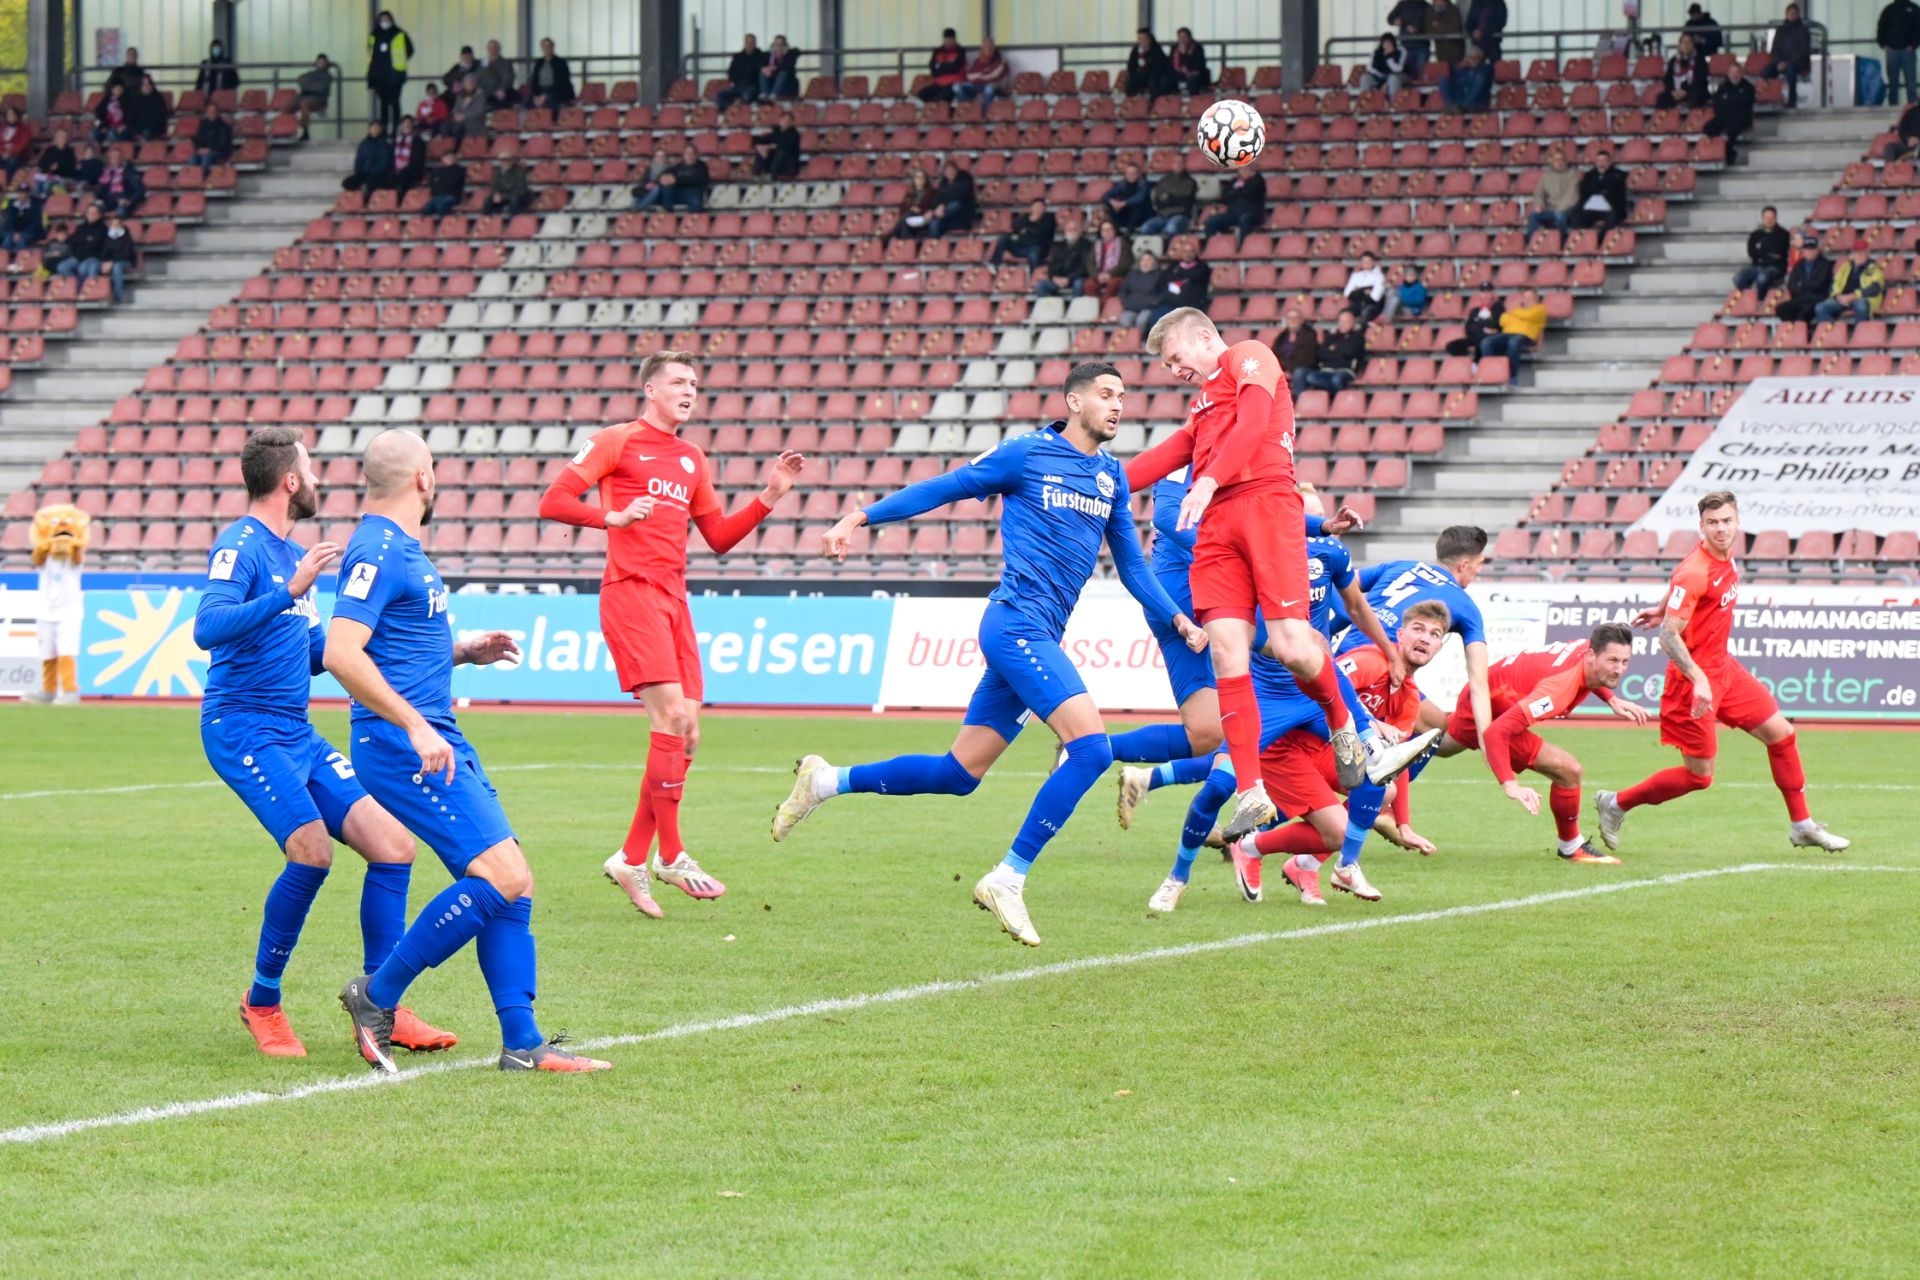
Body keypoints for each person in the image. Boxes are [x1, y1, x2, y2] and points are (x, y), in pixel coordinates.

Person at [773, 364, 1205, 948]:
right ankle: (1008, 877)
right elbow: (944, 487)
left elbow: (1131, 565)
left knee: (958, 774)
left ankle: (825, 781)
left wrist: (1177, 616)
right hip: (1015, 624)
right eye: (1106, 394)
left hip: (1040, 633)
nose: (1117, 405)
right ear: (1073, 401)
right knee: (1092, 749)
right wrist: (859, 516)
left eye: (1122, 396)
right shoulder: (1026, 454)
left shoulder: (1111, 478)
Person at [328, 429, 612, 1074]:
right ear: (423, 479)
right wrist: (415, 726)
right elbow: (343, 652)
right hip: (406, 743)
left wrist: (461, 652)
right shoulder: (377, 548)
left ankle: (523, 1044)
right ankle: (376, 996)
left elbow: (392, 646)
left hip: (433, 733)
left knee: (515, 884)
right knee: (501, 877)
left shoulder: (397, 546)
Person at [192, 427, 457, 1060]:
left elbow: (316, 652)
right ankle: (262, 1002)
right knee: (311, 852)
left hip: (296, 732)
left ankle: (383, 1003)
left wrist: (454, 652)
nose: (317, 482)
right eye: (310, 472)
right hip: (243, 727)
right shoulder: (241, 545)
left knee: (393, 847)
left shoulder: (294, 554)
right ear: (290, 481)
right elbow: (207, 626)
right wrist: (288, 591)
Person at [538, 353, 801, 917]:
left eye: (695, 384)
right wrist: (609, 518)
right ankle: (672, 853)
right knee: (673, 719)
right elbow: (553, 500)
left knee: (689, 736)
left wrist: (771, 495)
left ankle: (632, 857)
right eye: (678, 382)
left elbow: (718, 537)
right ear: (651, 389)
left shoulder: (691, 457)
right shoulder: (615, 440)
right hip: (630, 592)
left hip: (675, 600)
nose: (689, 391)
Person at [1125, 310, 1373, 839]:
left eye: (1175, 357)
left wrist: (1209, 479)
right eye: (1167, 365)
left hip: (1266, 505)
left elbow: (1255, 422)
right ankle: (1251, 791)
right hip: (1218, 526)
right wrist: (1106, 485)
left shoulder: (1250, 356)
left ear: (1204, 336)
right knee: (1226, 653)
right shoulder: (1203, 404)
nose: (1174, 370)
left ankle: (1343, 725)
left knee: (1291, 647)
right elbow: (1171, 452)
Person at [1595, 492, 1849, 854]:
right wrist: (1698, 676)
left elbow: (1680, 592)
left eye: (1727, 521)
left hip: (1724, 670)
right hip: (1691, 683)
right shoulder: (1695, 571)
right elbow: (1668, 636)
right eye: (1713, 523)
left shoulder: (1724, 555)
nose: (1721, 529)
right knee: (1699, 776)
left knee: (1782, 735)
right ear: (1701, 526)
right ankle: (1616, 803)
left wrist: (1663, 606)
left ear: (1737, 522)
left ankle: (1802, 825)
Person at [1236, 600, 1448, 907]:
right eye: (1418, 629)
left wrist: (1404, 824)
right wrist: (1370, 722)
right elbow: (1326, 683)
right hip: (1287, 747)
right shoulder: (1370, 661)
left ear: (1440, 647)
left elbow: (1393, 763)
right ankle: (1250, 847)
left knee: (1383, 789)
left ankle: (1305, 865)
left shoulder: (1409, 697)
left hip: (1325, 751)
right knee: (1338, 832)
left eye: (1434, 634)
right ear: (1400, 635)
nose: (1425, 638)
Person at [1429, 625, 1652, 863]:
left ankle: (1408, 729)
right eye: (1613, 661)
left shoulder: (1585, 649)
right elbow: (1495, 733)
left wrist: (1612, 699)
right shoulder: (1558, 690)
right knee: (1569, 770)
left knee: (1438, 744)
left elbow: (1595, 673)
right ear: (1591, 655)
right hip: (1487, 710)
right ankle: (1571, 846)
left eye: (1625, 661)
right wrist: (1510, 784)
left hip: (1488, 694)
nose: (1619, 669)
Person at [1481, 286, 1545, 384]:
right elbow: (1503, 320)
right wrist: (1519, 313)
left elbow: (1530, 315)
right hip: (1508, 334)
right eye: (1526, 297)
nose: (1528, 300)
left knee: (1514, 342)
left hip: (1526, 336)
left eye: (1530, 297)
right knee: (1486, 342)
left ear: (1536, 298)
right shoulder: (1518, 309)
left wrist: (1514, 312)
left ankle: (1512, 376)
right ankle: (1492, 372)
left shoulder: (1540, 308)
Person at [366, 10, 415, 137]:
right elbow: (370, 54)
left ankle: (395, 130)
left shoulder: (399, 34)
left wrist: (399, 61)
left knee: (395, 103)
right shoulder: (374, 35)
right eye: (382, 20)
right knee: (383, 104)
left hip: (395, 75)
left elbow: (409, 51)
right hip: (379, 77)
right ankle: (383, 130)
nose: (385, 22)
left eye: (387, 19)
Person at [1814, 240, 1886, 324]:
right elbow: (1835, 282)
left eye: (1861, 252)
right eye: (1856, 252)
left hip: (1861, 298)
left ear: (1867, 253)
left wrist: (1854, 296)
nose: (1858, 255)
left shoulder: (1874, 268)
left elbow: (1875, 288)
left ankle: (1859, 331)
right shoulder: (1846, 266)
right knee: (1820, 308)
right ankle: (1834, 330)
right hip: (1843, 298)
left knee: (1861, 305)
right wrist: (1838, 296)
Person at [1298, 309, 1367, 394]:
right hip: (1326, 371)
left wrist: (1333, 351)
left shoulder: (1358, 338)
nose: (1343, 324)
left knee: (1336, 380)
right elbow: (1321, 354)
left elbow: (1350, 352)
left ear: (1353, 322)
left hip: (1345, 371)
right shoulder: (1331, 337)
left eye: (1346, 321)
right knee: (1310, 377)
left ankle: (1333, 398)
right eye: (1341, 321)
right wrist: (1340, 353)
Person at [1145, 250, 1211, 331]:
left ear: (1196, 253)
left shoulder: (1202, 268)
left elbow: (1195, 280)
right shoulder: (1173, 266)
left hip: (1190, 304)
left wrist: (1178, 276)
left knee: (1183, 324)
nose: (1188, 254)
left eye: (1191, 251)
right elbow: (1163, 281)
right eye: (1185, 251)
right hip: (1169, 302)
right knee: (1155, 319)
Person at [1734, 205, 1790, 299]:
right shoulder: (1755, 235)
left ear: (1776, 218)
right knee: (1738, 278)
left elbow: (1779, 251)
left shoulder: (1783, 234)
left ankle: (1760, 300)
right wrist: (1770, 254)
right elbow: (1751, 253)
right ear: (1762, 218)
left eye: (1771, 217)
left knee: (1762, 278)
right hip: (1757, 266)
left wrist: (1761, 250)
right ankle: (1749, 298)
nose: (1769, 220)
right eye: (1766, 217)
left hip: (1775, 268)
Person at [1774, 234, 1833, 322]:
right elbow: (1791, 285)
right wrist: (1804, 287)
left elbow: (1818, 285)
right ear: (1803, 250)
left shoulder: (1825, 264)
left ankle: (1801, 328)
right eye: (1806, 249)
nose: (1809, 252)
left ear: (1817, 250)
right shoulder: (1799, 264)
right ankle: (1792, 328)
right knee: (1780, 309)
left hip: (1817, 299)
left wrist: (1801, 284)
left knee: (1805, 311)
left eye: (1812, 249)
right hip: (1800, 298)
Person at [1706, 60, 1756, 163]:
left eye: (1737, 72)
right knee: (1708, 128)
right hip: (1724, 117)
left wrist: (1729, 101)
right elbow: (1717, 104)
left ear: (1741, 73)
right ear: (1728, 74)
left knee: (1731, 129)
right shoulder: (1723, 87)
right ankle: (1723, 152)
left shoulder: (1748, 87)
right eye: (1732, 72)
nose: (1734, 75)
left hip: (1741, 118)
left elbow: (1745, 104)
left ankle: (1728, 154)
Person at [1033, 215, 1096, 298]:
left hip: (1076, 278)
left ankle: (1075, 305)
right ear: (1065, 231)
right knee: (1041, 285)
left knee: (1079, 284)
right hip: (1059, 278)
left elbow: (1084, 267)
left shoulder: (1087, 245)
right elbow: (1051, 264)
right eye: (1069, 229)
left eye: (1074, 229)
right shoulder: (1058, 246)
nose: (1071, 231)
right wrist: (1054, 277)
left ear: (1080, 231)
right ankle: (1052, 304)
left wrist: (1069, 279)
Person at [1764, 4, 1812, 110]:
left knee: (1791, 71)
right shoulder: (1780, 30)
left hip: (1798, 63)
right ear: (1786, 14)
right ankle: (1767, 99)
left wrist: (1788, 62)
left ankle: (1792, 101)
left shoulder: (1803, 30)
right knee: (1766, 72)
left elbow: (1804, 52)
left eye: (1794, 13)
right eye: (1790, 13)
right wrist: (1778, 62)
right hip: (1780, 62)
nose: (1792, 15)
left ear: (1798, 14)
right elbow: (1774, 50)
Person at [1568, 150, 1629, 231]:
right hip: (1590, 209)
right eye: (1599, 161)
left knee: (1613, 219)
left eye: (1604, 161)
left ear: (1609, 162)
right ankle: (1585, 236)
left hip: (1610, 209)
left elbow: (1615, 192)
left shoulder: (1618, 175)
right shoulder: (1589, 175)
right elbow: (1584, 191)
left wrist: (1598, 187)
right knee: (1575, 216)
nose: (1601, 163)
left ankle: (1601, 237)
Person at [988, 197, 1055, 268]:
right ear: (1031, 208)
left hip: (1037, 248)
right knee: (1004, 238)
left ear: (1044, 208)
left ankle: (1033, 273)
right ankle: (994, 264)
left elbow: (1041, 232)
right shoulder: (1026, 217)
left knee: (1034, 254)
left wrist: (1027, 229)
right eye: (1035, 206)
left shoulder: (1049, 219)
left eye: (1040, 206)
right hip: (1020, 245)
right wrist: (1029, 220)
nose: (1037, 209)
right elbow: (1015, 227)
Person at [1203, 167, 1267, 237]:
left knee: (1245, 219)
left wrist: (1236, 190)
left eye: (1246, 169)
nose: (1242, 171)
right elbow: (1225, 197)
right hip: (1233, 214)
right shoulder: (1234, 181)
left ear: (1253, 171)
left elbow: (1248, 192)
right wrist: (1239, 190)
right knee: (1212, 221)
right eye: (1241, 169)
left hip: (1253, 214)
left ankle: (1244, 243)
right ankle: (1213, 242)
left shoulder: (1258, 180)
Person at [1881, 0, 1920, 107]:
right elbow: (1882, 26)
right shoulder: (1889, 9)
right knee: (1893, 83)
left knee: (1910, 82)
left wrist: (1913, 45)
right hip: (1892, 50)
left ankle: (1913, 108)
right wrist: (1883, 44)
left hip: (1907, 51)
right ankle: (1893, 107)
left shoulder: (1913, 9)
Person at [882, 167, 938, 241]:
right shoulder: (910, 192)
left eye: (922, 177)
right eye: (917, 177)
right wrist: (911, 208)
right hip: (909, 216)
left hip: (922, 216)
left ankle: (892, 234)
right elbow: (902, 208)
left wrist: (920, 210)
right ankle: (906, 241)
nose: (919, 179)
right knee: (906, 221)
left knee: (906, 218)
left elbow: (933, 206)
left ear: (926, 179)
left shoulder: (932, 192)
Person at [716, 34, 768, 111]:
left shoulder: (761, 56)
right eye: (748, 42)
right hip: (737, 86)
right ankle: (731, 108)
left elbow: (761, 71)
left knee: (747, 95)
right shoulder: (737, 57)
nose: (749, 44)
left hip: (752, 87)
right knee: (719, 96)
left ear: (755, 43)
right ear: (744, 43)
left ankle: (737, 106)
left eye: (752, 42)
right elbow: (731, 72)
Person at [1139, 168, 1197, 236]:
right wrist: (1177, 198)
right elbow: (1158, 202)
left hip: (1181, 216)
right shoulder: (1164, 181)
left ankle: (1168, 242)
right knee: (1145, 227)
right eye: (1175, 163)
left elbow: (1186, 201)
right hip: (1163, 216)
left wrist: (1169, 198)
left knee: (1171, 228)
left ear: (1185, 165)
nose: (1177, 165)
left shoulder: (1190, 182)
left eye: (1180, 163)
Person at [1657, 33, 1708, 110]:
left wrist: (1686, 91)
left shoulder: (1700, 60)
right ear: (1680, 45)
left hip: (1693, 91)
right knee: (1662, 98)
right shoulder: (1673, 61)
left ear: (1693, 45)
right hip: (1675, 92)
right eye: (1684, 42)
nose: (1686, 45)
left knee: (1696, 95)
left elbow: (1700, 81)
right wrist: (1673, 92)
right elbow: (1667, 79)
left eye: (1689, 42)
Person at [953, 36, 1010, 105]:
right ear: (982, 48)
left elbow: (995, 75)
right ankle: (968, 106)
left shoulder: (1001, 61)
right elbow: (969, 77)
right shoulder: (977, 61)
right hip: (977, 85)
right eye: (985, 46)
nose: (988, 48)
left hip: (993, 86)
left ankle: (987, 111)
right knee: (956, 87)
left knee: (989, 89)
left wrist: (980, 75)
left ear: (994, 47)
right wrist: (982, 75)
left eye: (990, 46)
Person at [1276, 307, 1320, 395]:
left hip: (1304, 368)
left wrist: (1290, 370)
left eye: (1296, 318)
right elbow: (1275, 354)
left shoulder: (1309, 335)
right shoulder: (1282, 336)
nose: (1293, 320)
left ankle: (1297, 399)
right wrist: (1283, 370)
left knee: (1299, 373)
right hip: (1284, 369)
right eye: (1290, 318)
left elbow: (1307, 359)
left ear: (1301, 320)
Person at [928, 158, 977, 236]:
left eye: (951, 170)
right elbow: (937, 198)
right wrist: (935, 208)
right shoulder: (944, 183)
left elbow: (961, 195)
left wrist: (943, 205)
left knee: (955, 205)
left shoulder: (965, 178)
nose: (949, 173)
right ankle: (934, 242)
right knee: (934, 223)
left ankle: (935, 214)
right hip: (945, 218)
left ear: (956, 170)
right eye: (947, 171)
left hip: (962, 216)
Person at [91, 145, 145, 216]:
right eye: (112, 157)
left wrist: (129, 201)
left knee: (120, 212)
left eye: (117, 157)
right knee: (93, 210)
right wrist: (97, 198)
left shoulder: (129, 172)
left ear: (122, 158)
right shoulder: (106, 173)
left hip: (123, 202)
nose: (114, 159)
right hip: (109, 202)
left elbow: (139, 190)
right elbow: (100, 190)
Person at [1089, 217, 1134, 301]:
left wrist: (1110, 274)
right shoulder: (1096, 244)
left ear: (1114, 230)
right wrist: (1097, 275)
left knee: (1112, 284)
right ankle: (1095, 305)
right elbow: (1090, 262)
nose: (1107, 232)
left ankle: (1103, 305)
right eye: (1104, 230)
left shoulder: (1123, 243)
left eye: (1109, 229)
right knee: (1089, 284)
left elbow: (1125, 263)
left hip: (1116, 275)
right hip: (1099, 275)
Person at [522, 37, 574, 109]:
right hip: (540, 91)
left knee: (550, 101)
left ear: (552, 47)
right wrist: (536, 96)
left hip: (556, 92)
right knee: (528, 102)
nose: (546, 49)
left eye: (548, 46)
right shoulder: (539, 63)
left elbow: (562, 83)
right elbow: (534, 81)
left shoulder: (561, 63)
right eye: (544, 47)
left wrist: (545, 96)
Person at [1118, 250, 1164, 330]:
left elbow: (1163, 292)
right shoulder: (1132, 274)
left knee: (1141, 321)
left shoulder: (1159, 275)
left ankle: (1140, 337)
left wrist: (1154, 302)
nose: (1145, 262)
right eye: (1143, 260)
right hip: (1131, 306)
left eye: (1149, 260)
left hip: (1148, 307)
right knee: (1124, 321)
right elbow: (1123, 290)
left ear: (1154, 262)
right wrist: (1125, 302)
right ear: (1139, 262)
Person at [1122, 28, 1174, 97]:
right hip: (1140, 75)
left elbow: (1160, 66)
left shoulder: (1156, 50)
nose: (1142, 41)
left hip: (1153, 76)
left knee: (1153, 81)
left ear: (1149, 39)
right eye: (1140, 39)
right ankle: (1132, 100)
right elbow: (1131, 66)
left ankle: (1154, 101)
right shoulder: (1135, 50)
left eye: (1144, 39)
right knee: (1131, 81)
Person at [920, 28, 968, 103]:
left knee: (947, 94)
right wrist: (947, 66)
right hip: (939, 82)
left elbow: (955, 68)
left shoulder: (960, 51)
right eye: (946, 39)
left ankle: (940, 105)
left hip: (954, 82)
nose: (948, 41)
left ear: (954, 40)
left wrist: (940, 67)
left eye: (950, 39)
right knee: (922, 93)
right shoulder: (937, 51)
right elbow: (932, 68)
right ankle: (936, 103)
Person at [1102, 162, 1152, 232]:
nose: (1131, 175)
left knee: (1138, 205)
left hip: (1142, 217)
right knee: (1111, 205)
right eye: (1128, 173)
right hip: (1127, 215)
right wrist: (1113, 202)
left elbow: (1140, 197)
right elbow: (1106, 195)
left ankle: (1129, 232)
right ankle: (1117, 230)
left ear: (1138, 174)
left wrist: (1123, 203)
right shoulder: (1123, 184)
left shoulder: (1144, 184)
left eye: (1133, 173)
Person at [341, 120, 391, 192]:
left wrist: (373, 172)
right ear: (369, 129)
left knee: (370, 184)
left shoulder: (385, 145)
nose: (375, 130)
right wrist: (358, 172)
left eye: (377, 128)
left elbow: (384, 163)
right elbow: (359, 160)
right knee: (347, 183)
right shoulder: (364, 144)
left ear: (381, 130)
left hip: (378, 174)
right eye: (373, 128)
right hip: (364, 173)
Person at [1440, 45, 1492, 112]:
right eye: (1471, 57)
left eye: (1476, 57)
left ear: (1481, 59)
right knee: (1443, 80)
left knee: (1479, 78)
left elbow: (1481, 84)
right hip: (1462, 98)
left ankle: (1465, 105)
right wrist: (1459, 68)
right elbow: (1457, 82)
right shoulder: (1464, 70)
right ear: (1467, 59)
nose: (1473, 60)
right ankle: (1450, 106)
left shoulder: (1486, 69)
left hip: (1477, 101)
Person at [484, 142, 532, 215]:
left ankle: (514, 219)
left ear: (512, 160)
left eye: (507, 160)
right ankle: (488, 218)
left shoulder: (519, 172)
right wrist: (496, 195)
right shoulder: (497, 172)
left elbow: (520, 190)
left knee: (514, 200)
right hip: (503, 197)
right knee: (488, 201)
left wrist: (503, 196)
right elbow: (494, 187)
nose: (505, 162)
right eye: (503, 160)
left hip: (517, 197)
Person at [752, 109, 801, 179]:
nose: (785, 122)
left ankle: (771, 175)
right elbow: (763, 140)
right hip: (773, 160)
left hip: (787, 164)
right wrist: (759, 147)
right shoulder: (776, 132)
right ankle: (757, 175)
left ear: (792, 123)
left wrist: (769, 147)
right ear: (780, 120)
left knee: (781, 152)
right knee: (760, 149)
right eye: (784, 119)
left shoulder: (795, 134)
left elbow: (784, 145)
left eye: (788, 120)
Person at [1389, 0, 1433, 78]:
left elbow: (1432, 25)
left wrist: (1419, 30)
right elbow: (1390, 19)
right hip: (1405, 46)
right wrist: (1395, 21)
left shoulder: (1426, 6)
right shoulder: (1402, 4)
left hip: (1422, 46)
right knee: (1405, 73)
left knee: (1420, 74)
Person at [98, 211, 135, 301]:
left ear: (121, 225)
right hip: (111, 262)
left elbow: (126, 253)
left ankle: (119, 295)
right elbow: (104, 252)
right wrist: (105, 262)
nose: (114, 226)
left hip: (125, 261)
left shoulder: (126, 237)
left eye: (117, 224)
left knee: (117, 267)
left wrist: (112, 262)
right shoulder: (108, 237)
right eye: (113, 224)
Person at [296, 54, 334, 142]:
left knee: (304, 104)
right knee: (290, 103)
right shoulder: (311, 74)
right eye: (319, 62)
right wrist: (310, 86)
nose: (320, 64)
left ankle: (304, 131)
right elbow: (300, 79)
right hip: (307, 97)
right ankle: (282, 129)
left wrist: (307, 86)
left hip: (319, 100)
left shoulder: (327, 76)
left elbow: (320, 88)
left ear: (326, 64)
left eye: (322, 62)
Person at [384, 115, 426, 192]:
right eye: (405, 123)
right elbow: (390, 157)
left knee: (402, 178)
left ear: (412, 125)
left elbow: (417, 160)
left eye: (409, 123)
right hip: (396, 169)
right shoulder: (396, 139)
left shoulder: (418, 140)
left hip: (412, 170)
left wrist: (404, 169)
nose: (407, 125)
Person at [1343, 251, 1388, 323]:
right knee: (1345, 314)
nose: (1366, 263)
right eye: (1364, 261)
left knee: (1365, 312)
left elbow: (1375, 297)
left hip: (1373, 306)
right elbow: (1347, 294)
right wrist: (1364, 291)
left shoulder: (1379, 276)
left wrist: (1357, 291)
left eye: (1368, 261)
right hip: (1357, 304)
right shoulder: (1355, 275)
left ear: (1373, 262)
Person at [33, 127, 76, 196]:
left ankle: (48, 198)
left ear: (67, 139)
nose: (62, 139)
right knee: (37, 184)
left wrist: (58, 168)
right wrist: (48, 168)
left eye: (64, 137)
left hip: (62, 178)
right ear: (56, 138)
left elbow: (71, 170)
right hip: (48, 176)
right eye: (60, 136)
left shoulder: (70, 153)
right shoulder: (49, 150)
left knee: (49, 185)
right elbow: (41, 164)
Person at [127, 74, 170, 141]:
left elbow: (160, 118)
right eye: (144, 85)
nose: (146, 87)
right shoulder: (135, 100)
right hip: (138, 130)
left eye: (148, 85)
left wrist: (148, 130)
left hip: (155, 131)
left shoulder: (158, 99)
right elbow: (131, 118)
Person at [192, 103, 234, 170]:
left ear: (217, 112)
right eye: (209, 111)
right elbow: (197, 139)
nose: (211, 113)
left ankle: (204, 175)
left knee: (206, 158)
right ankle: (193, 176)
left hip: (219, 152)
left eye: (213, 111)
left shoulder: (224, 126)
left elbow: (223, 144)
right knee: (192, 158)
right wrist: (199, 149)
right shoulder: (203, 125)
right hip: (204, 151)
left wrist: (209, 149)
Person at [424, 150, 466, 216]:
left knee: (442, 207)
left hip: (451, 197)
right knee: (426, 210)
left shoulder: (459, 170)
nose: (449, 159)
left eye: (451, 157)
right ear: (442, 159)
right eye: (447, 157)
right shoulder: (438, 171)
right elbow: (433, 183)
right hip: (438, 197)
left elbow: (453, 183)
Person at [1171, 28, 1212, 93]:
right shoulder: (1175, 48)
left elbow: (1198, 66)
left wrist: (1184, 54)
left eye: (1184, 37)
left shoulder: (1197, 48)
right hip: (1179, 73)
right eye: (1180, 37)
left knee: (1192, 80)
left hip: (1194, 73)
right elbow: (1172, 64)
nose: (1182, 40)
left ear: (1189, 37)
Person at [478, 39, 516, 108]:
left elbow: (508, 79)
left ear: (499, 49)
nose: (492, 50)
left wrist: (502, 89)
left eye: (495, 48)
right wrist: (479, 88)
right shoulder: (483, 63)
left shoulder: (505, 63)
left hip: (499, 92)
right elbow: (478, 76)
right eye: (490, 48)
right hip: (485, 92)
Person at [1429, 0, 1467, 69]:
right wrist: (1445, 27)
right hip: (1440, 51)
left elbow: (1455, 29)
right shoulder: (1431, 11)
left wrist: (1439, 25)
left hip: (1455, 51)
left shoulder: (1454, 10)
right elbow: (1429, 29)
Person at [450, 75, 489, 141]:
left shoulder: (480, 96)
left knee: (462, 126)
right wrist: (456, 115)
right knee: (446, 125)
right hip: (460, 120)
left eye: (471, 83)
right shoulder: (460, 96)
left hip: (475, 121)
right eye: (467, 83)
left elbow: (479, 111)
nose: (469, 85)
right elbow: (455, 109)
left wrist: (464, 116)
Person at [0, 107, 33, 181]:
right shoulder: (1, 128)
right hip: (3, 153)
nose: (11, 117)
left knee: (12, 161)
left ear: (17, 116)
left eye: (12, 114)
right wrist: (2, 152)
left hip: (19, 153)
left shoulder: (24, 128)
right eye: (8, 115)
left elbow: (22, 144)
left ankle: (8, 182)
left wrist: (10, 152)